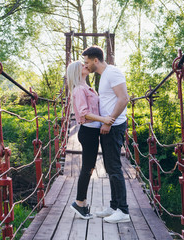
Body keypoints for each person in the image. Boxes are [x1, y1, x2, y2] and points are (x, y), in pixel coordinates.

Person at [82, 46, 130, 223]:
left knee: (114, 167)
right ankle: (114, 206)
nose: (86, 65)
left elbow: (124, 98)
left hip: (113, 126)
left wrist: (109, 121)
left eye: (87, 62)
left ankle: (123, 211)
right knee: (110, 167)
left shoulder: (113, 73)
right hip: (108, 126)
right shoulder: (103, 77)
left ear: (96, 60)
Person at [67, 61, 115, 220]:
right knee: (87, 168)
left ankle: (82, 202)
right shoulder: (80, 89)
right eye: (82, 65)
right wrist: (104, 119)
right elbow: (83, 112)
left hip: (93, 131)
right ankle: (79, 203)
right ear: (76, 71)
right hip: (88, 131)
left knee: (89, 167)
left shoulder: (87, 87)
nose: (86, 65)